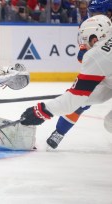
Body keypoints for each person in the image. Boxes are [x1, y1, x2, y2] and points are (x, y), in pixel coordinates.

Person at [20, 15, 112, 148]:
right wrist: (76, 96)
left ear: (95, 38)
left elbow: (74, 100)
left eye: (84, 40)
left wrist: (42, 111)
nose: (83, 45)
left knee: (110, 123)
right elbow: (101, 93)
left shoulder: (98, 54)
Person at [45, 1, 112, 149]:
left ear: (109, 13)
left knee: (109, 123)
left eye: (95, 13)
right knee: (81, 100)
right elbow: (83, 55)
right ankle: (60, 132)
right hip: (107, 74)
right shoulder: (94, 26)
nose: (91, 17)